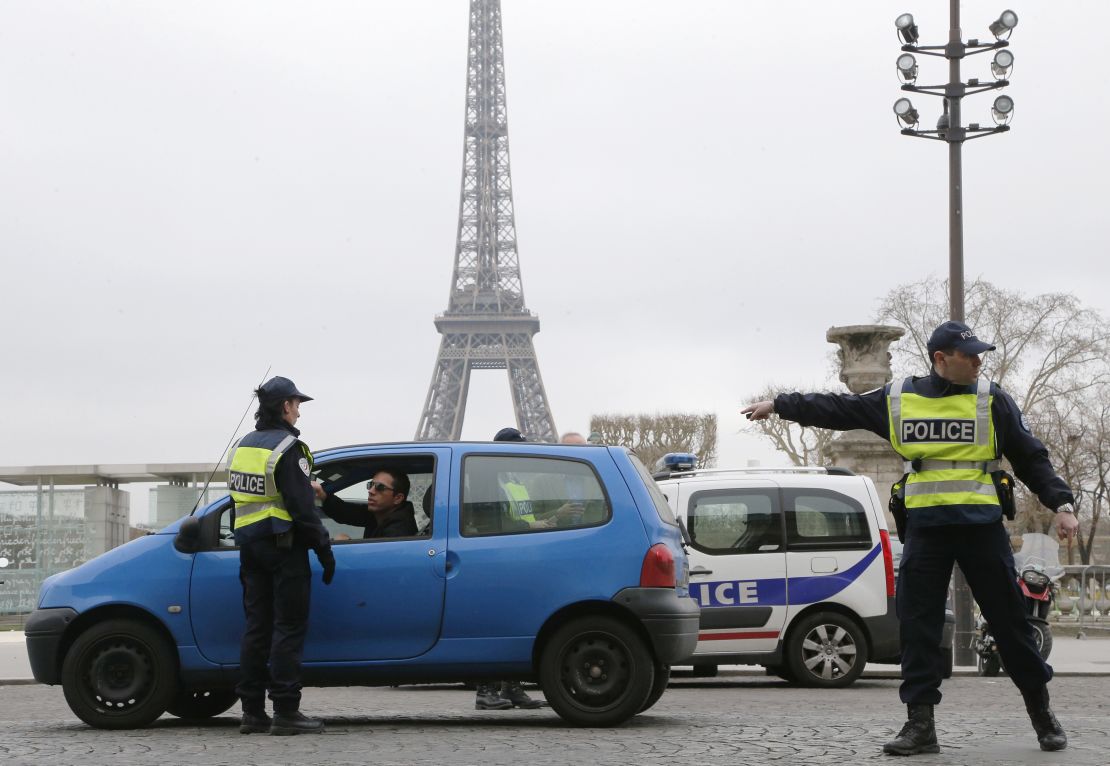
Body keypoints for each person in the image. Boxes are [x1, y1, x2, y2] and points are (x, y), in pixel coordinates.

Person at [742, 320, 1080, 755]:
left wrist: (1063, 504)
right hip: (925, 531)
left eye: (979, 354)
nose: (978, 361)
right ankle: (920, 726)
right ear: (941, 360)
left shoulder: (991, 398)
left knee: (1011, 626)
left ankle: (1042, 715)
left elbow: (1031, 456)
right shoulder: (897, 398)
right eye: (969, 355)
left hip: (980, 529)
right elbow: (837, 408)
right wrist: (779, 405)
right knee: (918, 629)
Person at [228, 376, 335, 736]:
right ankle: (287, 710)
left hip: (250, 548)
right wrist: (323, 548)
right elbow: (302, 508)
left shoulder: (243, 447)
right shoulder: (288, 447)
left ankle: (252, 712)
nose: (300, 412)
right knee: (288, 628)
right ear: (285, 406)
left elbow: (238, 500)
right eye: (297, 405)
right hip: (283, 548)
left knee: (256, 629)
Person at [470, 427, 545, 711]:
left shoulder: (514, 481)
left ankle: (511, 687)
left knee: (514, 624)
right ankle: (485, 690)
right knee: (495, 623)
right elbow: (493, 519)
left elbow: (522, 517)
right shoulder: (487, 481)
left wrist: (549, 519)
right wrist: (531, 526)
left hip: (516, 555)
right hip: (496, 558)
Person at [312, 468, 418, 539]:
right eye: (370, 484)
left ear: (398, 498)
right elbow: (346, 512)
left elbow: (378, 563)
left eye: (380, 487)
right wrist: (323, 496)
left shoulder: (399, 532)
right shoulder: (381, 514)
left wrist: (347, 545)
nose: (371, 491)